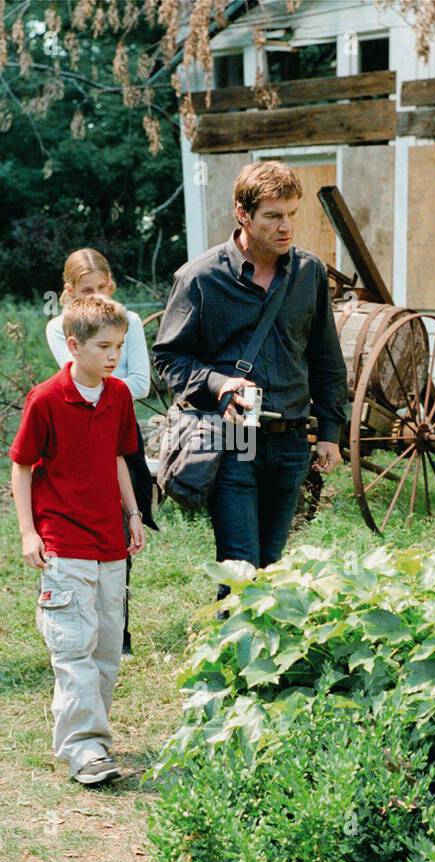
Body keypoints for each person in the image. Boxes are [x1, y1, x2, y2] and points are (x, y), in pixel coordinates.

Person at [152, 161, 348, 602]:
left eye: (292, 214)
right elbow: (168, 358)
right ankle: (231, 662)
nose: (286, 227)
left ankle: (267, 666)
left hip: (291, 438)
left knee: (272, 562)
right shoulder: (200, 278)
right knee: (240, 564)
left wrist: (330, 433)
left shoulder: (309, 273)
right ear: (243, 214)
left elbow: (325, 358)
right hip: (234, 438)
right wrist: (219, 383)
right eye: (273, 216)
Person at [10, 294, 146, 786]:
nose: (114, 356)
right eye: (104, 346)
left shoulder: (118, 397)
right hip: (63, 545)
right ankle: (84, 749)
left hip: (111, 543)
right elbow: (22, 466)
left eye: (120, 346)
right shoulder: (46, 398)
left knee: (107, 651)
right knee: (73, 649)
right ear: (74, 346)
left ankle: (89, 739)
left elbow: (117, 459)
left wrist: (132, 514)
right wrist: (29, 532)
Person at [44, 248, 155, 656]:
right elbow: (79, 379)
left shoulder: (132, 323)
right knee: (77, 526)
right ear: (70, 294)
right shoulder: (60, 328)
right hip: (75, 434)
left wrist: (112, 384)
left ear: (113, 285)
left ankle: (118, 631)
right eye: (86, 291)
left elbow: (141, 381)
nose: (98, 296)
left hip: (119, 430)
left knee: (124, 527)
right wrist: (114, 383)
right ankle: (76, 619)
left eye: (103, 288)